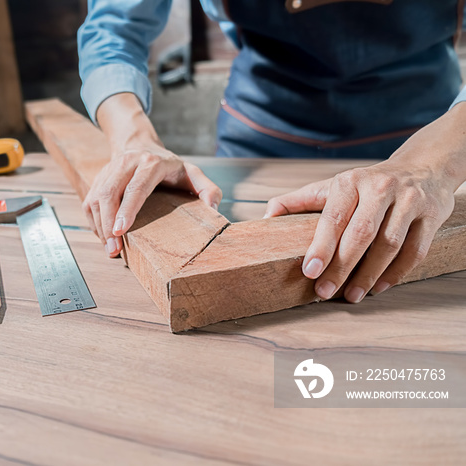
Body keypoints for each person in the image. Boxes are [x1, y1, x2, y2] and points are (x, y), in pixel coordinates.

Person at [77, 0, 466, 304]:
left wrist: (432, 165)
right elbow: (111, 31)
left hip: (433, 136)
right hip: (259, 137)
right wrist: (134, 141)